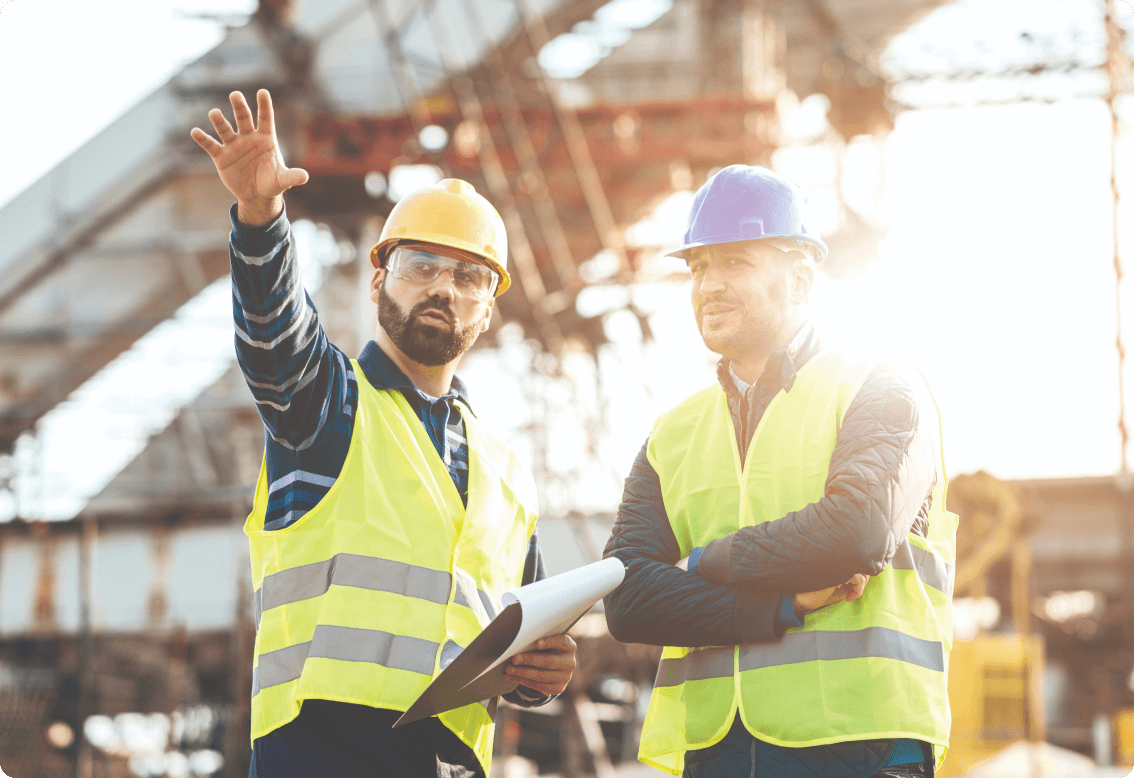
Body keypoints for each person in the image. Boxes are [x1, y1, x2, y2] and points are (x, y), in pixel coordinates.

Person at [190, 89, 576, 778]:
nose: (442, 289)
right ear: (377, 283)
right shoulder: (328, 406)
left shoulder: (505, 473)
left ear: (487, 310)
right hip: (321, 755)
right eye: (419, 267)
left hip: (451, 762)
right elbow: (275, 338)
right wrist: (259, 217)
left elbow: (513, 635)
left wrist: (540, 674)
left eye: (468, 277)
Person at [602, 165, 957, 778]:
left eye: (734, 262)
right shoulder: (674, 433)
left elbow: (857, 532)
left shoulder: (880, 386)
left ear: (799, 279)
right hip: (718, 749)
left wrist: (703, 562)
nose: (708, 285)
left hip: (861, 743)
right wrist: (779, 606)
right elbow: (629, 597)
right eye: (698, 267)